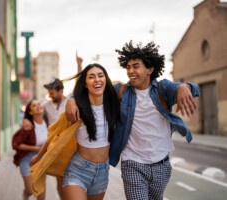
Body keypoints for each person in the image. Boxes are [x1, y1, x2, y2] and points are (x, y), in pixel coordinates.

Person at [65, 41, 200, 200]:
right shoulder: (120, 91)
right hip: (132, 163)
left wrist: (185, 87)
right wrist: (72, 99)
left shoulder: (163, 89)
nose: (130, 71)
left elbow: (193, 89)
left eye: (135, 66)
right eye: (128, 67)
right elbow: (89, 90)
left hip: (162, 164)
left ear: (150, 69)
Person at [29, 63, 120, 200]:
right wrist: (38, 157)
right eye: (91, 77)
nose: (97, 79)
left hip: (102, 172)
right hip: (77, 170)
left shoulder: (113, 105)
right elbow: (55, 135)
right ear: (85, 84)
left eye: (100, 76)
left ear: (106, 80)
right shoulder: (76, 109)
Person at [22, 53, 83, 200]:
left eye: (52, 92)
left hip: (67, 146)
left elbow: (79, 84)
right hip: (50, 145)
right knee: (41, 174)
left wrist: (79, 64)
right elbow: (32, 109)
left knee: (61, 179)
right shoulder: (46, 105)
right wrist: (26, 120)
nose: (49, 94)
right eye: (48, 92)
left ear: (61, 91)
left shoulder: (70, 100)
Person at [12, 99, 48, 200]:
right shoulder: (28, 125)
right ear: (31, 112)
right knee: (30, 190)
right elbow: (17, 144)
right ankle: (25, 195)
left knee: (41, 191)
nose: (38, 106)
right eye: (34, 105)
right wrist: (35, 148)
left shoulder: (47, 121)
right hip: (27, 157)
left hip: (42, 158)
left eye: (39, 104)